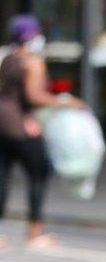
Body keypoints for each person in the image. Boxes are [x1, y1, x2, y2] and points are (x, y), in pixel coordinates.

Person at [0, 15, 85, 249]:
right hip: (21, 126)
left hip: (2, 122)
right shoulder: (34, 62)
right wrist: (67, 102)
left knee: (2, 177)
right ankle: (35, 232)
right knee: (39, 174)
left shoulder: (8, 59)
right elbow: (33, 96)